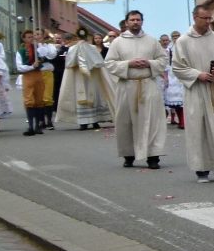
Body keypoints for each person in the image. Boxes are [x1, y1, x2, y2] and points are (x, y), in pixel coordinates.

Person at [172, 5, 214, 183]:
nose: (208, 22)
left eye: (210, 19)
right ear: (195, 18)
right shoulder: (183, 41)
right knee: (199, 130)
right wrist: (197, 74)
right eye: (205, 18)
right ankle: (202, 169)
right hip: (197, 91)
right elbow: (177, 67)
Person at [105, 11, 168, 170]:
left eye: (138, 20)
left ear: (142, 22)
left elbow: (163, 60)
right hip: (127, 85)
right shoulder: (118, 42)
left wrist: (149, 63)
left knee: (152, 121)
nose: (135, 22)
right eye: (132, 20)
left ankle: (153, 156)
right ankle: (129, 154)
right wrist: (128, 64)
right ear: (126, 23)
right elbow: (110, 63)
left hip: (148, 85)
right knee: (126, 121)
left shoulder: (152, 41)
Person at [57, 30, 114, 131]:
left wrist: (89, 63)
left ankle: (95, 120)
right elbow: (70, 63)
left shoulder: (92, 48)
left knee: (94, 97)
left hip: (92, 76)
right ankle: (84, 122)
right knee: (82, 97)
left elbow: (99, 62)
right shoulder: (73, 48)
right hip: (79, 76)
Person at [15, 29, 52, 136]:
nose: (32, 39)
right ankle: (30, 126)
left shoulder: (38, 49)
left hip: (38, 75)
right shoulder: (21, 51)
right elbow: (20, 67)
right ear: (24, 39)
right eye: (29, 37)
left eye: (32, 36)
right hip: (28, 76)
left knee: (39, 100)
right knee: (29, 100)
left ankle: (38, 125)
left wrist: (42, 46)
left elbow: (48, 55)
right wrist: (32, 66)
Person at [33, 29, 59, 130]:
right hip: (36, 73)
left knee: (47, 97)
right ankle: (41, 121)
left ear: (43, 36)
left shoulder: (49, 46)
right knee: (38, 97)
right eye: (35, 34)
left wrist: (43, 48)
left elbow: (52, 56)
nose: (36, 36)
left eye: (39, 34)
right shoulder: (32, 46)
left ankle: (49, 121)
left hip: (47, 72)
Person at [163, 31, 185, 129]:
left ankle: (183, 121)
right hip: (173, 75)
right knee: (176, 101)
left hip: (183, 73)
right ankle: (181, 121)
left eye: (177, 36)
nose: (176, 38)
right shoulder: (170, 49)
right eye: (174, 36)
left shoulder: (184, 47)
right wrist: (166, 76)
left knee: (183, 102)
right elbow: (167, 64)